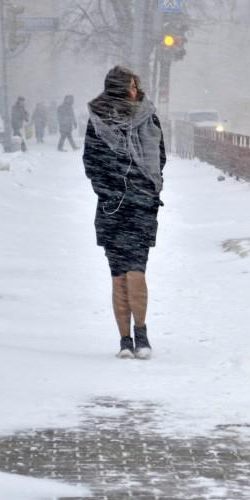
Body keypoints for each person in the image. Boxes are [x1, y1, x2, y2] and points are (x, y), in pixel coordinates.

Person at [82, 66, 166, 359]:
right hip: (127, 205)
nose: (135, 90)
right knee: (126, 272)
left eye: (135, 84)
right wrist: (129, 191)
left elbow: (93, 165)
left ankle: (130, 339)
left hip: (126, 206)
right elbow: (94, 163)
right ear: (121, 89)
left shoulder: (135, 117)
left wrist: (113, 191)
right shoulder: (141, 118)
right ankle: (135, 340)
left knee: (128, 272)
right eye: (131, 85)